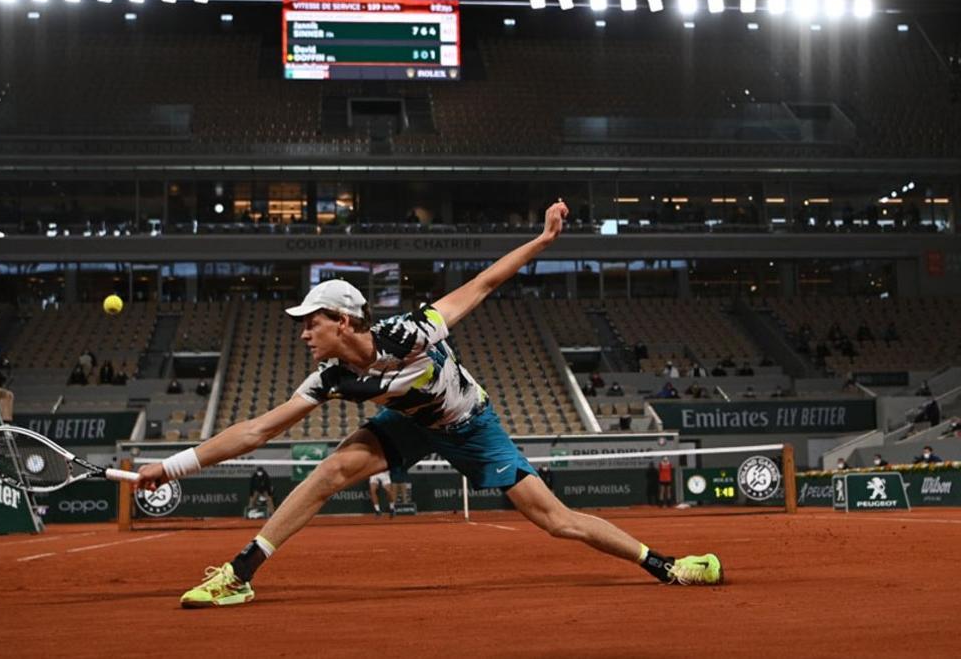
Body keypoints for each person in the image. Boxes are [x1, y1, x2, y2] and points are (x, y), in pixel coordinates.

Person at [135, 201, 721, 609]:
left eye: (311, 322)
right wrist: (172, 466)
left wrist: (543, 241)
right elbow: (257, 431)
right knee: (331, 470)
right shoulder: (331, 375)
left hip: (469, 425)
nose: (303, 332)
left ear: (343, 320)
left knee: (555, 521)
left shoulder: (410, 333)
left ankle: (667, 564)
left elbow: (484, 284)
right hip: (407, 422)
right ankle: (240, 573)